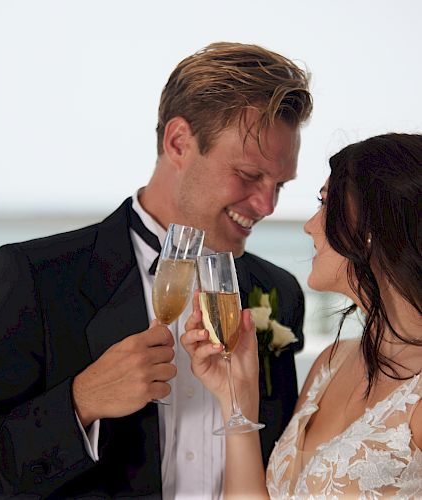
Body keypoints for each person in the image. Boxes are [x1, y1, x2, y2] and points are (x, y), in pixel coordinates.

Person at [0, 42, 312, 499]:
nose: (267, 205)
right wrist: (80, 402)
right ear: (179, 143)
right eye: (250, 175)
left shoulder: (278, 292)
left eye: (280, 185)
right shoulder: (38, 277)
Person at [181, 132, 422, 498]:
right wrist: (237, 397)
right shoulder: (331, 363)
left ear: (370, 227)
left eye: (325, 204)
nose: (309, 225)